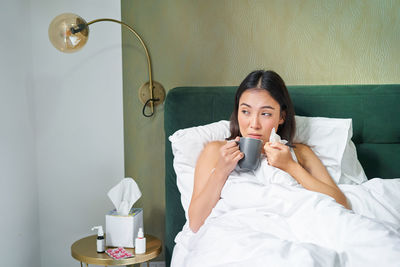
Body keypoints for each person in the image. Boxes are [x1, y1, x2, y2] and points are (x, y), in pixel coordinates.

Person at [188, 70, 350, 233]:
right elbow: (195, 223)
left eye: (265, 113)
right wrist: (221, 171)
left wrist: (291, 167)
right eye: (245, 111)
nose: (254, 124)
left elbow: (341, 204)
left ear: (281, 116)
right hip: (235, 234)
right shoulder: (216, 151)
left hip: (293, 231)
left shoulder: (300, 153)